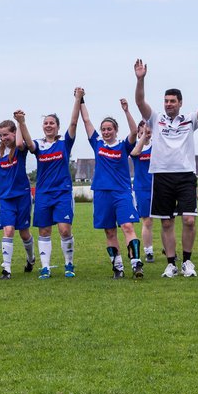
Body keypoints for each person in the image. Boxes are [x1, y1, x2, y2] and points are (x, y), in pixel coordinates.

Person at [134, 59, 198, 278]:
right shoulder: (155, 119)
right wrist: (140, 79)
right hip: (161, 175)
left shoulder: (189, 120)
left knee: (189, 220)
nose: (168, 104)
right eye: (166, 101)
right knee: (167, 222)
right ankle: (171, 263)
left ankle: (187, 262)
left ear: (180, 103)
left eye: (172, 101)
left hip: (185, 175)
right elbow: (140, 101)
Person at [20, 89, 82, 278]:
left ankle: (69, 264)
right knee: (44, 230)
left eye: (52, 123)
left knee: (64, 229)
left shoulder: (64, 143)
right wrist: (21, 122)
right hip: (43, 194)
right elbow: (29, 144)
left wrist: (78, 99)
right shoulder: (39, 145)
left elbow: (73, 123)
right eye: (46, 123)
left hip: (62, 193)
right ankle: (45, 267)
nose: (48, 126)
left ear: (57, 126)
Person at [79, 97, 143, 278]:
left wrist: (126, 110)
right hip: (101, 193)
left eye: (109, 129)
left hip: (121, 192)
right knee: (109, 231)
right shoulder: (97, 143)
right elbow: (86, 121)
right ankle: (118, 267)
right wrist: (81, 99)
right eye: (104, 129)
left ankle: (136, 264)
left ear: (115, 130)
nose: (106, 132)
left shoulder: (123, 145)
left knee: (127, 226)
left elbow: (133, 131)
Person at [0, 113, 36, 278]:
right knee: (8, 230)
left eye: (6, 134)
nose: (3, 138)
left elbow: (19, 142)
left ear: (13, 133)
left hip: (23, 196)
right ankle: (7, 268)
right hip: (5, 197)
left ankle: (31, 259)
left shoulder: (20, 148)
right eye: (1, 135)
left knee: (24, 233)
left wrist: (20, 122)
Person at [130, 122, 155, 263]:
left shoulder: (157, 146)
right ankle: (148, 251)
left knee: (167, 221)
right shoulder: (136, 148)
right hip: (142, 189)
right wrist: (143, 137)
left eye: (148, 131)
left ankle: (170, 250)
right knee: (147, 220)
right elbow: (134, 153)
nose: (146, 133)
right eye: (141, 132)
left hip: (160, 187)